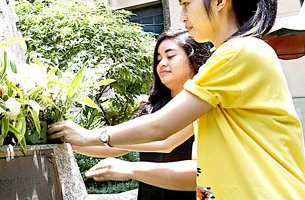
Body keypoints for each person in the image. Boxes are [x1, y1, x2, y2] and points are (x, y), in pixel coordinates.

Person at [49, 0, 305, 198]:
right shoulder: (231, 56)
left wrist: (90, 136)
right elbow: (165, 140)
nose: (182, 17)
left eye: (186, 3)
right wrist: (72, 139)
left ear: (219, 1)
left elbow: (160, 127)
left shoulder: (237, 53)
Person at [73, 30, 210, 199]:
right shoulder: (151, 108)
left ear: (194, 59)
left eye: (170, 56)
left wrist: (128, 168)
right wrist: (68, 141)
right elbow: (118, 145)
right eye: (158, 59)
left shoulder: (205, 105)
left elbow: (165, 143)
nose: (162, 64)